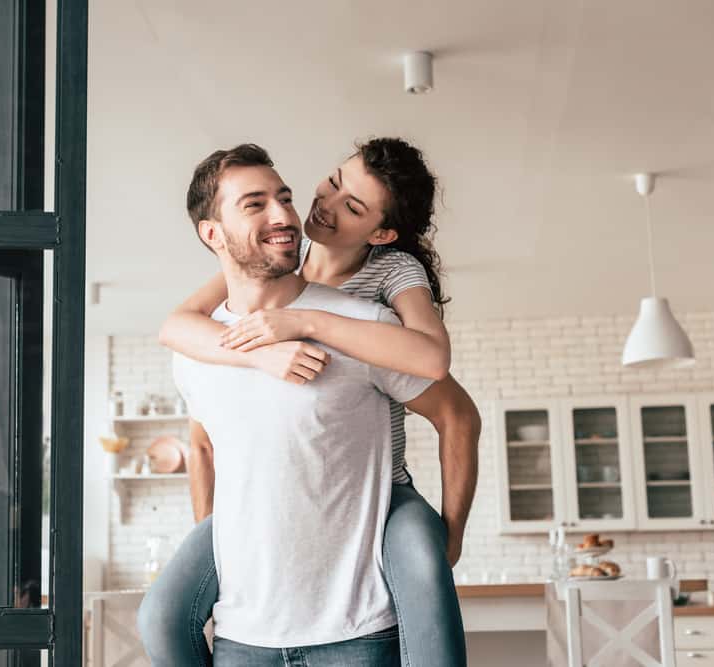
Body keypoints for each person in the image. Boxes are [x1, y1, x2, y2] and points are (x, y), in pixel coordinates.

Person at [138, 142, 479, 666]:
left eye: (353, 207)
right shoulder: (232, 306)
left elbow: (438, 370)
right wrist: (260, 355)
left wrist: (306, 322)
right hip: (250, 619)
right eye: (333, 181)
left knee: (427, 571)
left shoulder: (382, 291)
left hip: (382, 493)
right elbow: (181, 344)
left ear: (380, 232)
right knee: (159, 616)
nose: (319, 205)